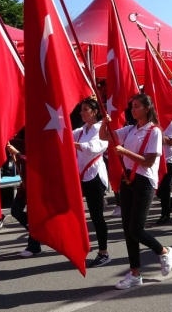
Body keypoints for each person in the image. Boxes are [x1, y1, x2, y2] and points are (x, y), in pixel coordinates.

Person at [99, 93, 172, 290]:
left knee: (136, 229)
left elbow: (149, 161)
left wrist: (125, 152)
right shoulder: (131, 129)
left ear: (147, 108)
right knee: (127, 230)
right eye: (132, 106)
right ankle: (135, 274)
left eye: (137, 106)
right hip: (128, 181)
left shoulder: (154, 131)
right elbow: (104, 137)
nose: (133, 109)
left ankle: (163, 251)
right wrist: (104, 122)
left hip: (144, 181)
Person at [73, 98, 111, 267]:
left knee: (97, 217)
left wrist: (71, 143)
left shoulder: (100, 128)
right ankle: (77, 247)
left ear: (95, 112)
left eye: (85, 109)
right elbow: (64, 134)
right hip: (82, 176)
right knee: (73, 212)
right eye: (81, 109)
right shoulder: (81, 131)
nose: (82, 112)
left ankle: (103, 252)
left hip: (95, 177)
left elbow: (93, 148)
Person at [156, 116, 172, 224]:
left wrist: (158, 134)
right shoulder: (158, 122)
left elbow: (171, 142)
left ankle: (165, 214)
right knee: (157, 189)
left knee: (165, 188)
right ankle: (170, 201)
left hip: (168, 160)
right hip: (157, 159)